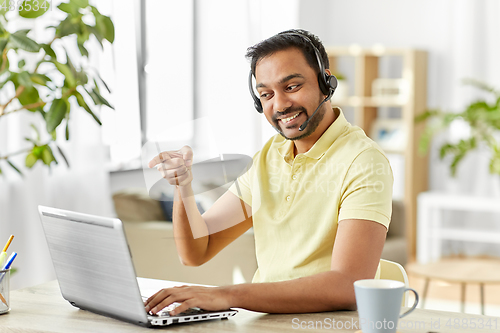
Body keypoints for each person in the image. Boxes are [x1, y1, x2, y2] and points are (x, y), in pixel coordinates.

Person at [145, 29, 393, 315]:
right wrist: (183, 185)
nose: (280, 105)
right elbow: (197, 250)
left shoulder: (363, 161)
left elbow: (348, 286)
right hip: (265, 321)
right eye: (266, 94)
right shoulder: (268, 156)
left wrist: (226, 295)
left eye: (291, 87)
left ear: (326, 82)